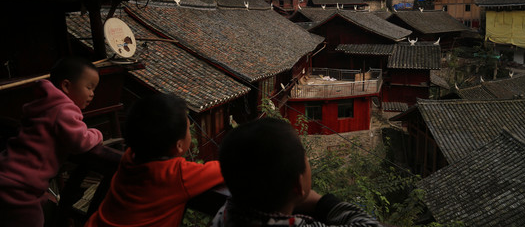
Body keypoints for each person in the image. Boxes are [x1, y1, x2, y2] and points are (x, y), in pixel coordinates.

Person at [213, 117, 383, 227]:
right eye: (306, 159)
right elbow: (370, 224)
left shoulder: (225, 214)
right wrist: (321, 201)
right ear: (298, 184)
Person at [85, 93, 224, 227]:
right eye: (188, 128)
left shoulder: (129, 156)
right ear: (179, 145)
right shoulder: (178, 174)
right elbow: (228, 168)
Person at [0, 56, 104, 227]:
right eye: (89, 87)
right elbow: (80, 141)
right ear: (66, 86)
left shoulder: (44, 104)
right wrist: (97, 134)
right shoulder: (64, 109)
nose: (92, 94)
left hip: (8, 172)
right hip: (22, 185)